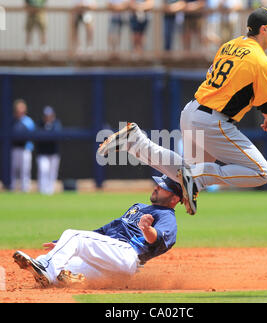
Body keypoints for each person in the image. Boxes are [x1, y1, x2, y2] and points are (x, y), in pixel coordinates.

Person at [98, 7, 267, 216]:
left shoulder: (230, 45)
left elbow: (231, 84)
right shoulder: (262, 62)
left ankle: (135, 142)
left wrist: (260, 86)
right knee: (262, 172)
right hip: (213, 121)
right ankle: (197, 178)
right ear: (264, 29)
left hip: (192, 111)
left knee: (182, 170)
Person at [13, 175, 182, 287]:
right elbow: (103, 231)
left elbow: (157, 239)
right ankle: (50, 277)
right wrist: (61, 244)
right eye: (158, 184)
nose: (156, 187)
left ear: (175, 199)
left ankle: (46, 268)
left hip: (127, 256)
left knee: (74, 235)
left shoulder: (166, 216)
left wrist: (146, 228)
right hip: (109, 260)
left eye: (162, 187)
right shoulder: (138, 206)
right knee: (60, 267)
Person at [36, 106, 62, 195]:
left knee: (52, 172)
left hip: (53, 153)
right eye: (46, 116)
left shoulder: (56, 124)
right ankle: (43, 190)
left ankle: (50, 190)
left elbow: (58, 135)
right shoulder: (39, 124)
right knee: (43, 170)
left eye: (50, 115)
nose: (48, 117)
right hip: (42, 153)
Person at [11, 99, 35, 193]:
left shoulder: (28, 121)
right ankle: (12, 189)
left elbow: (33, 135)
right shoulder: (11, 121)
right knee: (13, 171)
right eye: (18, 109)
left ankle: (25, 189)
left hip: (25, 149)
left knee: (25, 171)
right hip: (13, 149)